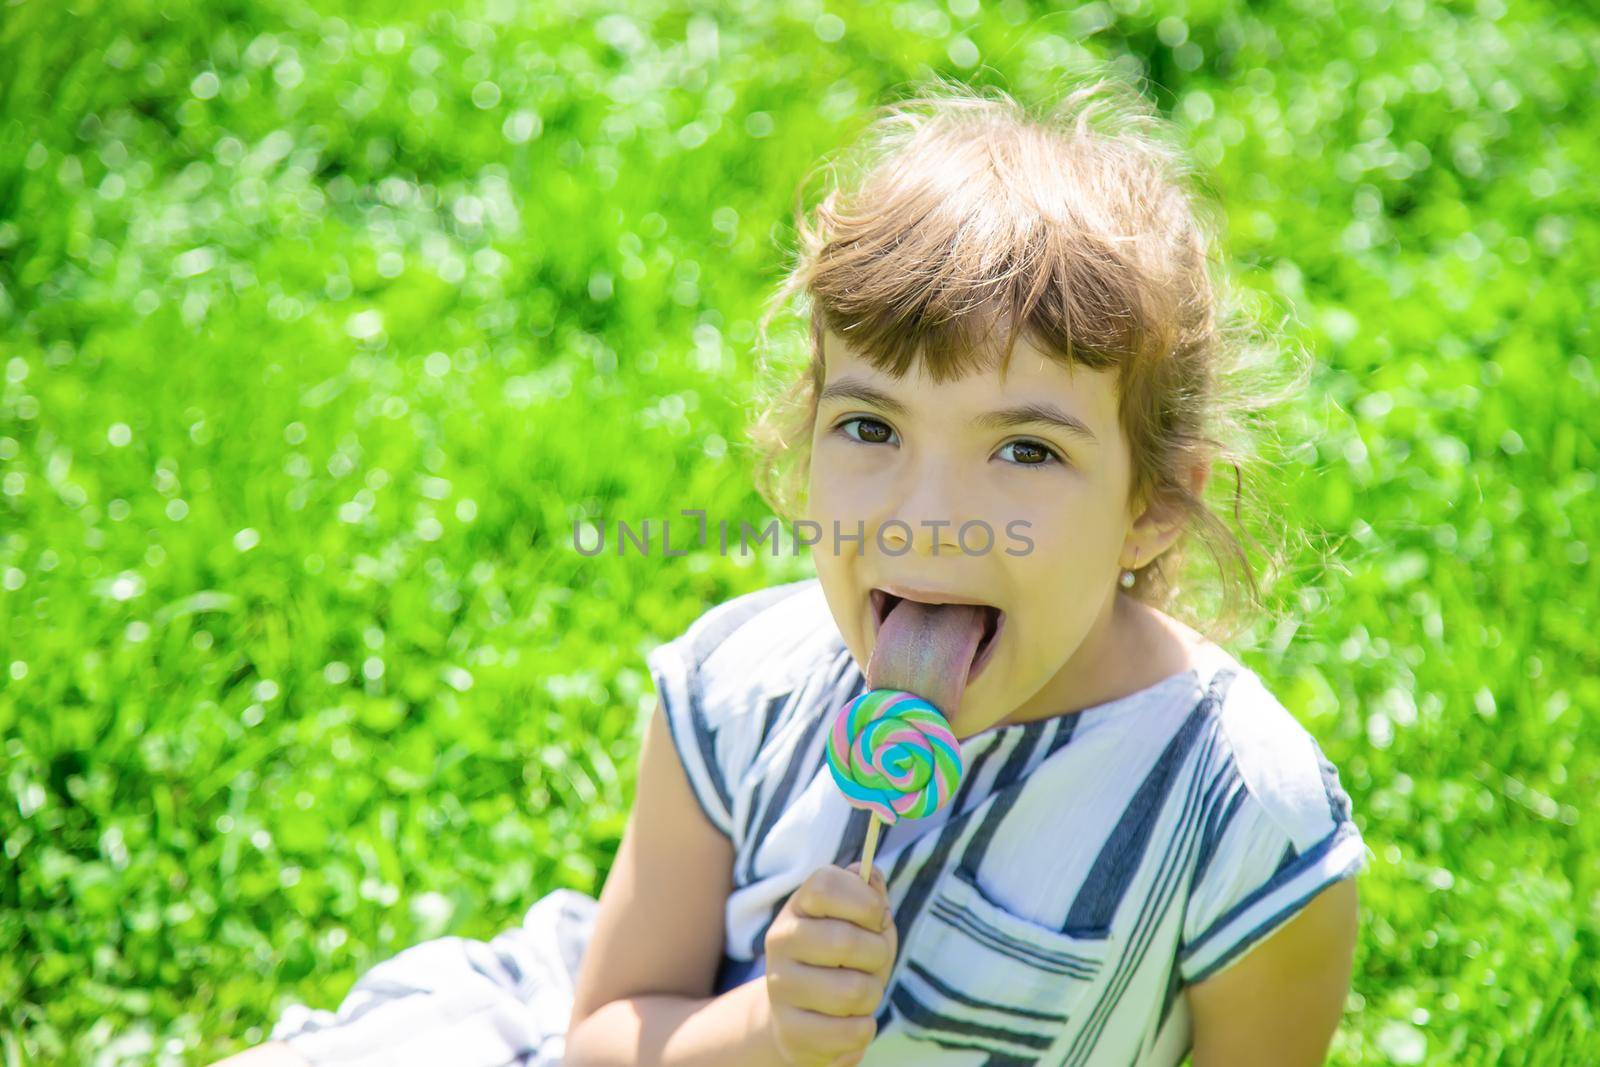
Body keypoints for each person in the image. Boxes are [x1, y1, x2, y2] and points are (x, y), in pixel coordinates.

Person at [216, 70, 1370, 1067]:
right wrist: (772, 1029)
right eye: (871, 428)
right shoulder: (738, 689)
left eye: (1024, 449)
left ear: (1153, 504)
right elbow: (606, 1028)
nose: (927, 520)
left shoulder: (1240, 814)